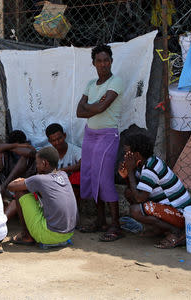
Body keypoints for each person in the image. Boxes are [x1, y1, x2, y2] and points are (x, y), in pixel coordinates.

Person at [76, 44, 125, 241]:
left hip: (107, 136)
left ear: (111, 61)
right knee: (91, 177)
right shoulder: (90, 84)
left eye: (106, 60)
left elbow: (103, 107)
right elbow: (80, 112)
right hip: (90, 135)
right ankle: (100, 221)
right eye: (99, 61)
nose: (103, 64)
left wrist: (93, 106)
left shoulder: (116, 82)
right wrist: (93, 106)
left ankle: (116, 225)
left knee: (104, 180)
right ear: (93, 63)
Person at [119, 133, 191, 249]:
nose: (125, 157)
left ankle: (176, 231)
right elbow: (134, 191)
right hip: (166, 208)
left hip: (180, 213)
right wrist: (127, 175)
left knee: (135, 211)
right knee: (128, 193)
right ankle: (160, 229)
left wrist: (130, 172)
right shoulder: (141, 164)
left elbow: (139, 198)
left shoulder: (151, 167)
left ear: (137, 154)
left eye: (128, 154)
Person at [7, 147, 77, 246]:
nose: (36, 166)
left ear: (44, 163)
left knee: (20, 192)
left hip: (48, 236)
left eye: (37, 163)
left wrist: (21, 179)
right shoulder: (63, 174)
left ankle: (27, 236)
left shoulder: (38, 180)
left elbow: (11, 187)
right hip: (68, 234)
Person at [45, 123, 82, 222]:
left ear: (64, 136)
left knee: (78, 177)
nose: (57, 142)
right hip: (54, 186)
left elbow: (82, 164)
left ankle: (72, 216)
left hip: (70, 187)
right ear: (49, 141)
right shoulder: (48, 153)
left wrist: (62, 170)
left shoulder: (74, 150)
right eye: (54, 140)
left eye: (59, 138)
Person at [0, 130, 36, 196]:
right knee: (0, 154)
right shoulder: (10, 147)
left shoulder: (28, 147)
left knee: (25, 157)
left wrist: (16, 147)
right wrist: (16, 146)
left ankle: (4, 186)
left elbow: (30, 153)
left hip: (23, 180)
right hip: (7, 177)